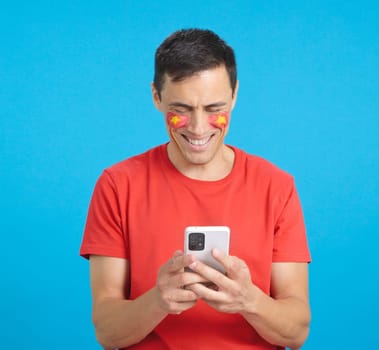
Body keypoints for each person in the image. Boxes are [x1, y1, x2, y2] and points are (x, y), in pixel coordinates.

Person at [79, 28, 311, 350]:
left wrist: (249, 300)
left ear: (235, 95)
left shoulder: (277, 186)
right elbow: (107, 332)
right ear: (156, 97)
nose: (199, 128)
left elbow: (296, 332)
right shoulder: (118, 185)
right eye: (182, 109)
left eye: (215, 108)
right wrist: (158, 300)